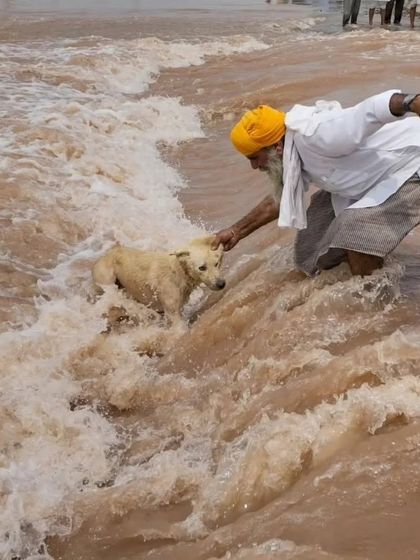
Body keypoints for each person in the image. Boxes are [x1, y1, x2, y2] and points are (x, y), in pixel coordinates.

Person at [212, 91, 420, 278]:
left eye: (255, 158)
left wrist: (411, 102)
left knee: (355, 226)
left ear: (275, 147)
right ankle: (366, 262)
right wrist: (235, 232)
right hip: (367, 178)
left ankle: (371, 296)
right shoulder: (288, 151)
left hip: (411, 165)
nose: (254, 166)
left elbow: (371, 110)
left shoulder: (318, 134)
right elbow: (279, 200)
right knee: (310, 253)